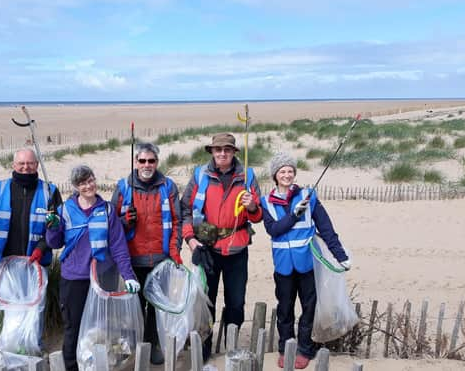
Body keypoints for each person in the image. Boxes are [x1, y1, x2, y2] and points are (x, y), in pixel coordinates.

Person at [260, 152, 350, 369]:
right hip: (282, 265)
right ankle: (285, 348)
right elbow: (273, 230)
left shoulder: (309, 196)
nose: (287, 175)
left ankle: (305, 349)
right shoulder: (266, 202)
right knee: (285, 308)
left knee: (309, 307)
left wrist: (341, 256)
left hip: (307, 263)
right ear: (275, 175)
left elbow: (326, 228)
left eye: (290, 171)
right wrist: (293, 216)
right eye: (282, 171)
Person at [46, 165, 139, 371]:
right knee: (74, 328)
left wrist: (129, 276)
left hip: (103, 278)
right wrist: (52, 227)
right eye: (82, 183)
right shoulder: (65, 211)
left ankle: (97, 366)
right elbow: (54, 243)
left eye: (90, 180)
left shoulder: (106, 210)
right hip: (74, 279)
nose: (88, 186)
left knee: (101, 328)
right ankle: (72, 367)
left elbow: (118, 246)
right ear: (75, 187)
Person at [180, 132, 262, 362]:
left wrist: (253, 206)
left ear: (234, 152)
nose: (222, 153)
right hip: (207, 250)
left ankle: (232, 349)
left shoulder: (247, 176)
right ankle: (204, 349)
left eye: (227, 149)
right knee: (206, 302)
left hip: (237, 250)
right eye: (218, 150)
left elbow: (257, 217)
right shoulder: (200, 175)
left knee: (235, 302)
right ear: (212, 152)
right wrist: (191, 240)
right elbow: (185, 209)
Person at [111, 142, 182, 365]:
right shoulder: (123, 187)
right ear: (136, 162)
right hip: (134, 260)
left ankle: (152, 345)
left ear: (157, 163)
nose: (147, 165)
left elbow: (177, 222)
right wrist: (125, 221)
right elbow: (112, 225)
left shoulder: (168, 187)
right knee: (134, 306)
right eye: (142, 161)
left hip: (161, 259)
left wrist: (174, 252)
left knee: (156, 307)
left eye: (151, 161)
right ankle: (136, 344)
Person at [0, 147, 62, 266]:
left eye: (30, 163)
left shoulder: (50, 192)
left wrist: (41, 248)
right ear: (13, 165)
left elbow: (55, 227)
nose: (26, 167)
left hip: (37, 261)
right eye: (21, 163)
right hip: (5, 261)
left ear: (37, 164)